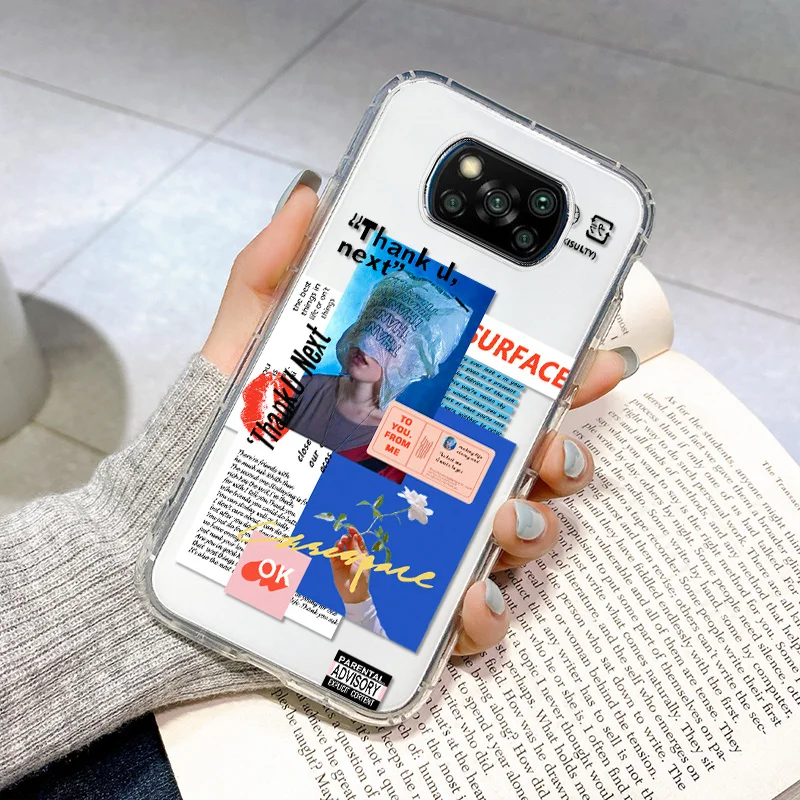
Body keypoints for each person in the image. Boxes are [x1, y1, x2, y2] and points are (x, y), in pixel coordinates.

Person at [0, 171, 637, 790]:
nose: (374, 342)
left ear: (412, 363)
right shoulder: (288, 386)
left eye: (395, 338)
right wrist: (147, 527)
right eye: (374, 324)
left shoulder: (408, 454)